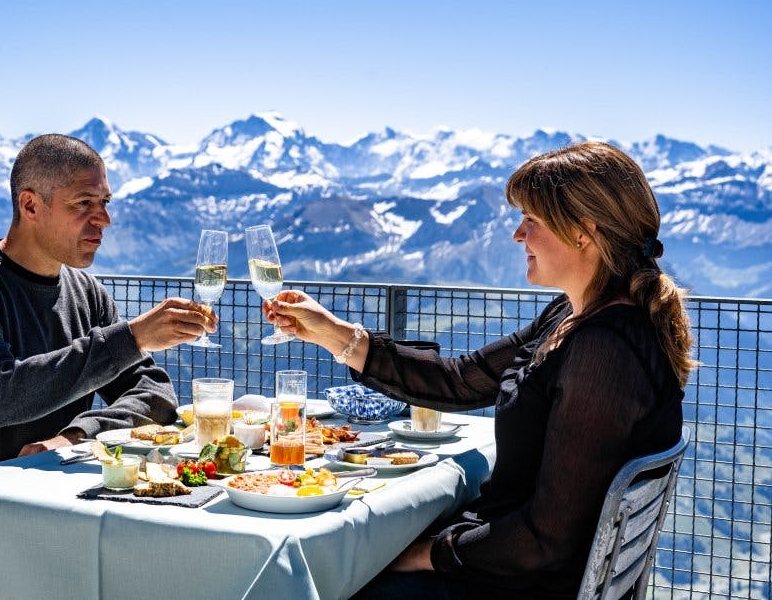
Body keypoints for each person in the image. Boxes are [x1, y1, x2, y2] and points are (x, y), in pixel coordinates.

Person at [266, 142, 693, 599]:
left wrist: (424, 553)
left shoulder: (604, 351)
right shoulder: (571, 318)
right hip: (507, 565)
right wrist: (332, 333)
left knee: (329, 579)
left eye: (532, 220)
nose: (517, 234)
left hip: (518, 584)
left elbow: (544, 542)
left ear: (582, 231)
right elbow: (459, 380)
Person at [0, 133, 215, 518]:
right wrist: (134, 337)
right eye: (84, 203)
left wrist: (76, 435)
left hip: (42, 506)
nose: (104, 220)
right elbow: (0, 397)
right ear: (30, 205)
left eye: (105, 203)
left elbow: (155, 395)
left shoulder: (87, 293)